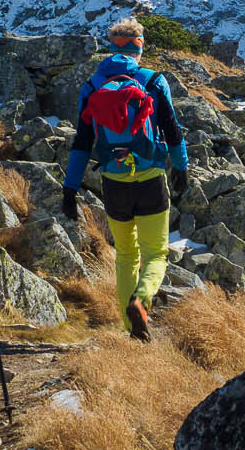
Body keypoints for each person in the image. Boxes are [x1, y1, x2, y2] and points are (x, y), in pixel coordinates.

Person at [61, 18, 188, 341]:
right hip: (150, 178)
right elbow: (172, 130)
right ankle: (141, 301)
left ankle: (132, 331)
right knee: (156, 253)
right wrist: (181, 167)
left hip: (113, 181)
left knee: (127, 254)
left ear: (111, 46)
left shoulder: (92, 86)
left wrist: (71, 187)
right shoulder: (153, 80)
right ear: (139, 48)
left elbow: (82, 141)